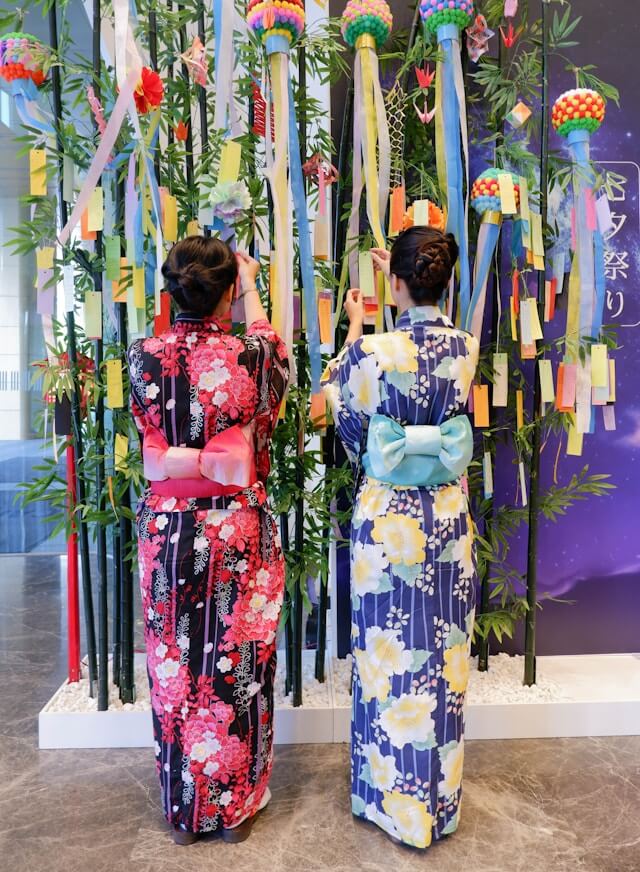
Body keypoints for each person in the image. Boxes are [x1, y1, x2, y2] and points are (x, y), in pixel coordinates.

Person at [127, 236, 289, 845]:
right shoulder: (254, 355)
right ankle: (235, 807)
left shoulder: (143, 355)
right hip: (234, 529)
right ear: (226, 294)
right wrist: (251, 287)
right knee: (237, 664)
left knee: (175, 665)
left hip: (169, 527)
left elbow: (148, 430)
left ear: (172, 291)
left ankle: (185, 807)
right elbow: (275, 366)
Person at [322, 227, 479, 849]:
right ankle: (436, 806)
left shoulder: (370, 352)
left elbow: (345, 413)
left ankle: (383, 797)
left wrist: (360, 328)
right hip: (444, 518)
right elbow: (427, 352)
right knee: (441, 659)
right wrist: (404, 289)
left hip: (386, 521)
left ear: (396, 282)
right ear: (448, 281)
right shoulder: (465, 346)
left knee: (386, 657)